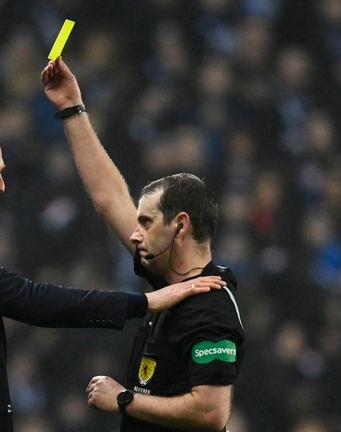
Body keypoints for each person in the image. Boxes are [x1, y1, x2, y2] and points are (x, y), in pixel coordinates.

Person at [0, 121, 227, 432]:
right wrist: (143, 302)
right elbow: (28, 299)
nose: (0, 185)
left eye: (1, 171)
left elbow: (110, 201)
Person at [42, 57, 245, 431]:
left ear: (180, 226)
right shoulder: (172, 287)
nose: (135, 234)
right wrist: (72, 110)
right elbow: (109, 198)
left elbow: (211, 412)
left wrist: (124, 398)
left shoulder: (209, 307)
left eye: (147, 223)